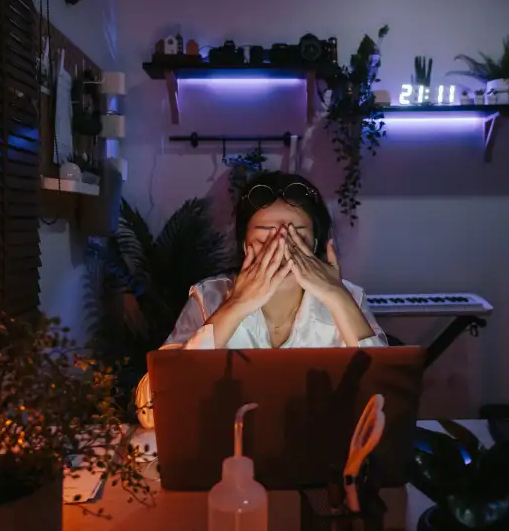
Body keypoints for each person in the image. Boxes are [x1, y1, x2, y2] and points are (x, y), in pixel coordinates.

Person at [135, 171, 387, 427]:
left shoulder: (348, 297)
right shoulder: (209, 297)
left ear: (315, 245)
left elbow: (386, 401)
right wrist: (235, 307)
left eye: (297, 235)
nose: (282, 248)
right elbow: (151, 412)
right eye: (266, 236)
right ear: (245, 247)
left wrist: (337, 297)